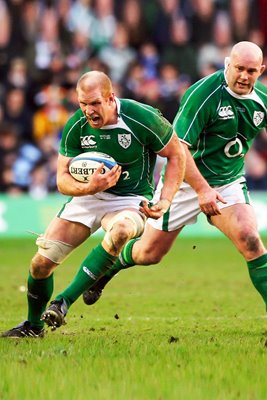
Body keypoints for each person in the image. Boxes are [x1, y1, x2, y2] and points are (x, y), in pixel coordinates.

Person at [83, 41, 267, 314]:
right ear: (227, 64)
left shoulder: (262, 98)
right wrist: (202, 189)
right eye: (239, 68)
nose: (244, 76)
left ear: (261, 70)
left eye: (251, 71)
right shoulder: (203, 95)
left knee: (250, 240)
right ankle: (110, 268)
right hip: (185, 183)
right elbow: (179, 150)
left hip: (227, 182)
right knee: (149, 254)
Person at [0, 71, 185, 337]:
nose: (88, 111)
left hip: (130, 200)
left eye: (95, 103)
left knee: (121, 232)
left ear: (110, 98)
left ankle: (63, 301)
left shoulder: (141, 117)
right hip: (88, 197)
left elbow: (177, 154)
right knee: (40, 264)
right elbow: (62, 180)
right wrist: (89, 187)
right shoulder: (76, 124)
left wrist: (165, 199)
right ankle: (33, 327)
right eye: (82, 104)